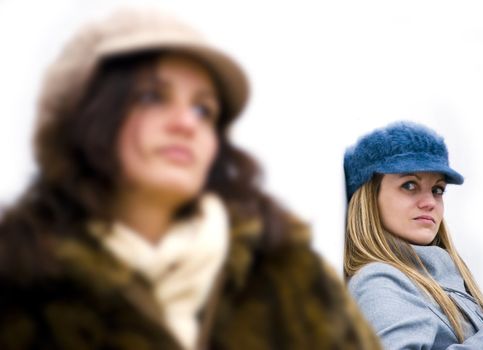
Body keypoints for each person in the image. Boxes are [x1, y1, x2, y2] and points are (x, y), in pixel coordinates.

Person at [0, 8, 381, 350]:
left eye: (203, 109)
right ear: (87, 115)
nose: (186, 124)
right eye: (152, 97)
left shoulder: (289, 273)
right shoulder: (21, 280)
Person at [343, 121, 483, 349]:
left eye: (437, 190)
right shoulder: (379, 281)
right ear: (369, 198)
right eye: (409, 185)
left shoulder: (443, 276)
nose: (429, 203)